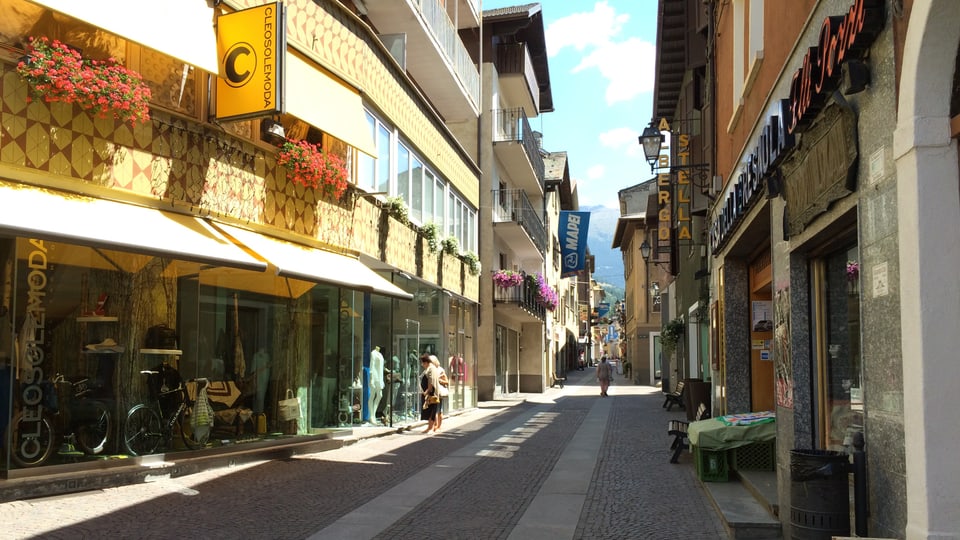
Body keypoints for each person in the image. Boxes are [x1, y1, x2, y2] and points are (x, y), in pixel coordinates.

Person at [419, 354, 440, 433]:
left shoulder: (431, 369)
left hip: (431, 393)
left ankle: (430, 428)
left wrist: (427, 391)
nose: (422, 365)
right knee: (431, 410)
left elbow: (431, 381)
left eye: (423, 363)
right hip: (429, 393)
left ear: (426, 362)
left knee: (430, 410)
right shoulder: (430, 368)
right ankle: (432, 427)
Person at [431, 355, 449, 433]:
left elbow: (446, 381)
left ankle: (436, 426)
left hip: (436, 392)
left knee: (436, 409)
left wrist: (439, 380)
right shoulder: (437, 369)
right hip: (435, 392)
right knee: (437, 409)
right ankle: (437, 426)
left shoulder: (438, 370)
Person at [367, 345, 384, 424]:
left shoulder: (380, 355)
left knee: (380, 395)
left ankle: (373, 414)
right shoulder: (373, 353)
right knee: (372, 395)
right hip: (374, 376)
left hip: (380, 377)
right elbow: (372, 365)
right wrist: (371, 379)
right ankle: (371, 416)